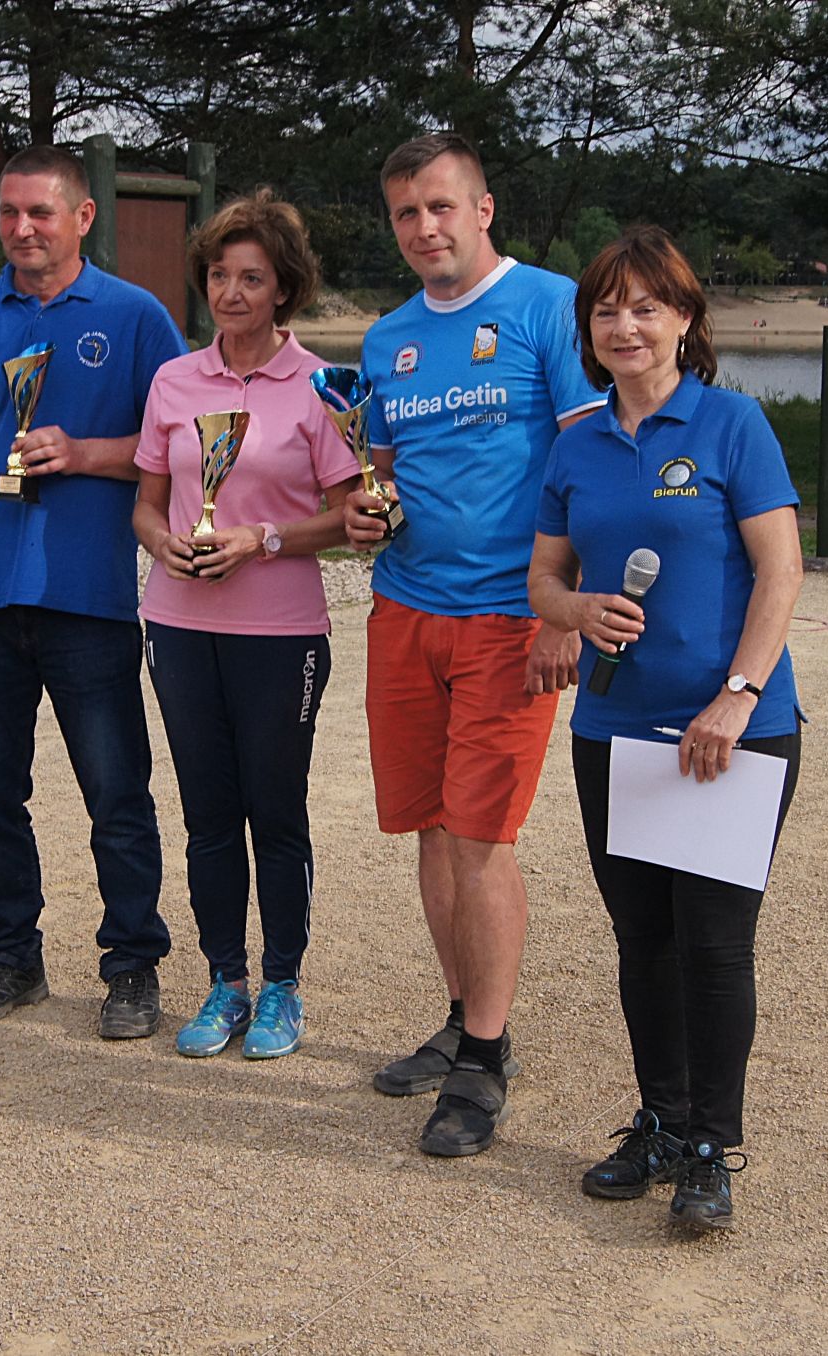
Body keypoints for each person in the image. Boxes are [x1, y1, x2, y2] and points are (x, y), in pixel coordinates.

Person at [527, 226, 805, 1230]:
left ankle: (709, 1149)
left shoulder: (731, 425)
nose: (625, 324)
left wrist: (735, 694)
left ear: (686, 320)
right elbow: (543, 580)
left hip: (730, 729)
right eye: (607, 308)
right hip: (614, 730)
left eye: (647, 306)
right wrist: (574, 613)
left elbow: (781, 572)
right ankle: (658, 1119)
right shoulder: (576, 442)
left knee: (714, 946)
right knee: (643, 937)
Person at [345, 132, 605, 1156]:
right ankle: (462, 1017)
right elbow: (381, 472)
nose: (425, 228)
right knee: (430, 829)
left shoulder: (547, 305)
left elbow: (593, 460)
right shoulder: (388, 339)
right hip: (406, 611)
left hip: (510, 617)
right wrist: (370, 513)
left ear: (483, 209)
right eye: (407, 212)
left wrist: (561, 608)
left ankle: (487, 1059)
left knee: (481, 836)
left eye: (442, 206)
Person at [0, 145, 185, 1038]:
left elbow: (180, 444)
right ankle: (10, 957)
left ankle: (132, 964)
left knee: (117, 794)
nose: (22, 229)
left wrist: (85, 453)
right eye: (9, 211)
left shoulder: (136, 317)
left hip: (88, 595)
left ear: (82, 217)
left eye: (42, 213)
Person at [131, 190, 360, 1060]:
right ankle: (224, 980)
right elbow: (148, 508)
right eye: (220, 275)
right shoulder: (173, 381)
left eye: (252, 278)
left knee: (276, 810)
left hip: (281, 633)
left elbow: (350, 514)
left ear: (284, 289)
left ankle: (283, 987)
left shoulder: (320, 386)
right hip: (179, 622)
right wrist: (170, 545)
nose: (231, 292)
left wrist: (259, 539)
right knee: (206, 812)